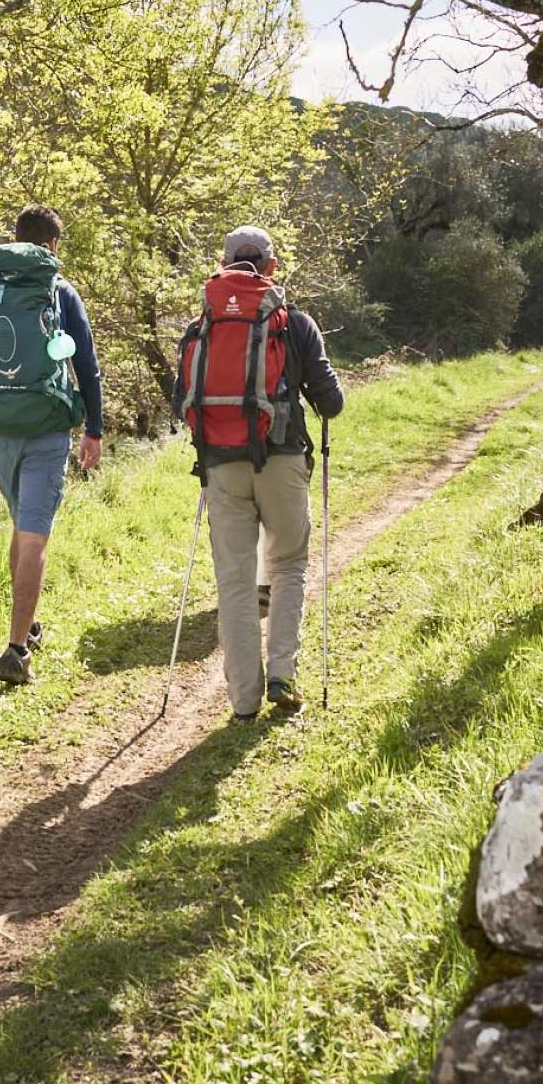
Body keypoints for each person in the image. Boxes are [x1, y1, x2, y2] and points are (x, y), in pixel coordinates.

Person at [174, 225, 343, 721]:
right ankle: (283, 675)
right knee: (288, 566)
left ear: (225, 264)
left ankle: (243, 701)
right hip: (283, 458)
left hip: (221, 466)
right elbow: (331, 402)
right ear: (271, 267)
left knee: (235, 581)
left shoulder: (201, 324)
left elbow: (177, 399)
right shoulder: (294, 323)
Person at [0, 204, 104, 686]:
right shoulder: (59, 292)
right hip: (46, 425)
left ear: (16, 238)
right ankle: (17, 650)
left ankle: (27, 624)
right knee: (35, 535)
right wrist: (94, 429)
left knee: (21, 525)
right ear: (53, 246)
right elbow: (88, 367)